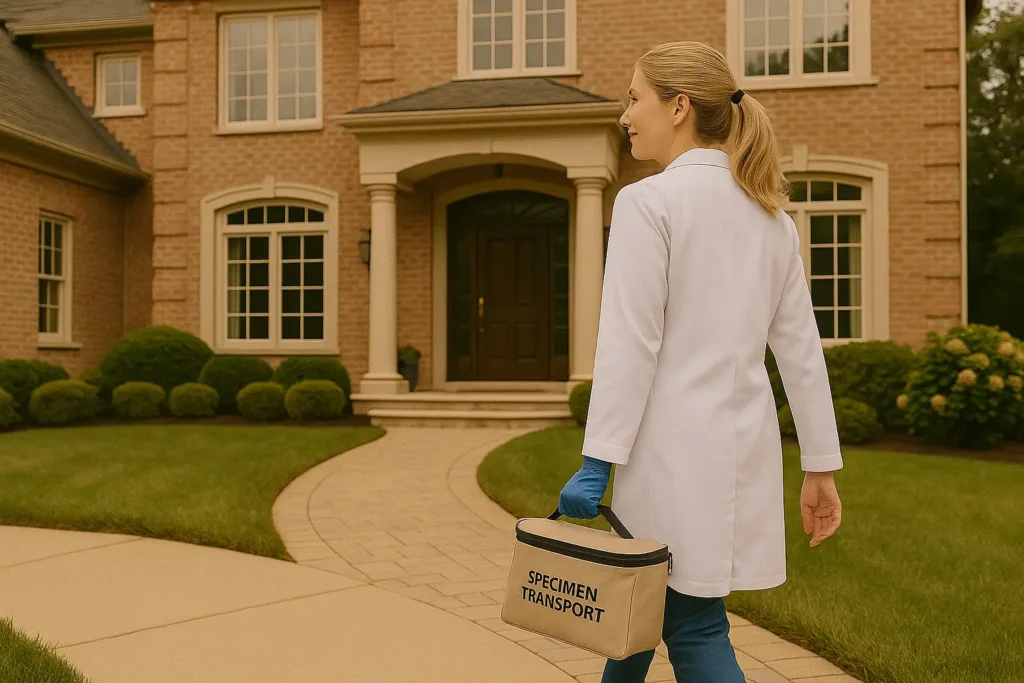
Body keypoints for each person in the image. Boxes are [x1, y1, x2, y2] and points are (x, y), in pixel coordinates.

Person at [557, 41, 844, 683]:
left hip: (668, 458)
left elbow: (631, 344)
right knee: (633, 622)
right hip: (741, 455)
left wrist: (597, 461)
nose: (624, 114)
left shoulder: (647, 202)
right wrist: (820, 467)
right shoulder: (774, 220)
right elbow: (801, 352)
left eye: (635, 98)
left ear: (679, 106)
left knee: (690, 627)